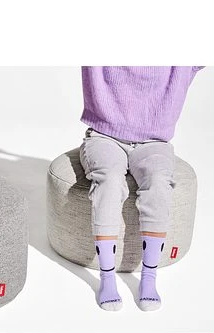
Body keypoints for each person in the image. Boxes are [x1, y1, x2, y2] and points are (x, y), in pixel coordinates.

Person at [79, 66, 204, 312]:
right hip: (104, 136)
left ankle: (149, 277)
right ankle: (107, 278)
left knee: (158, 183)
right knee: (109, 181)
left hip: (154, 142)